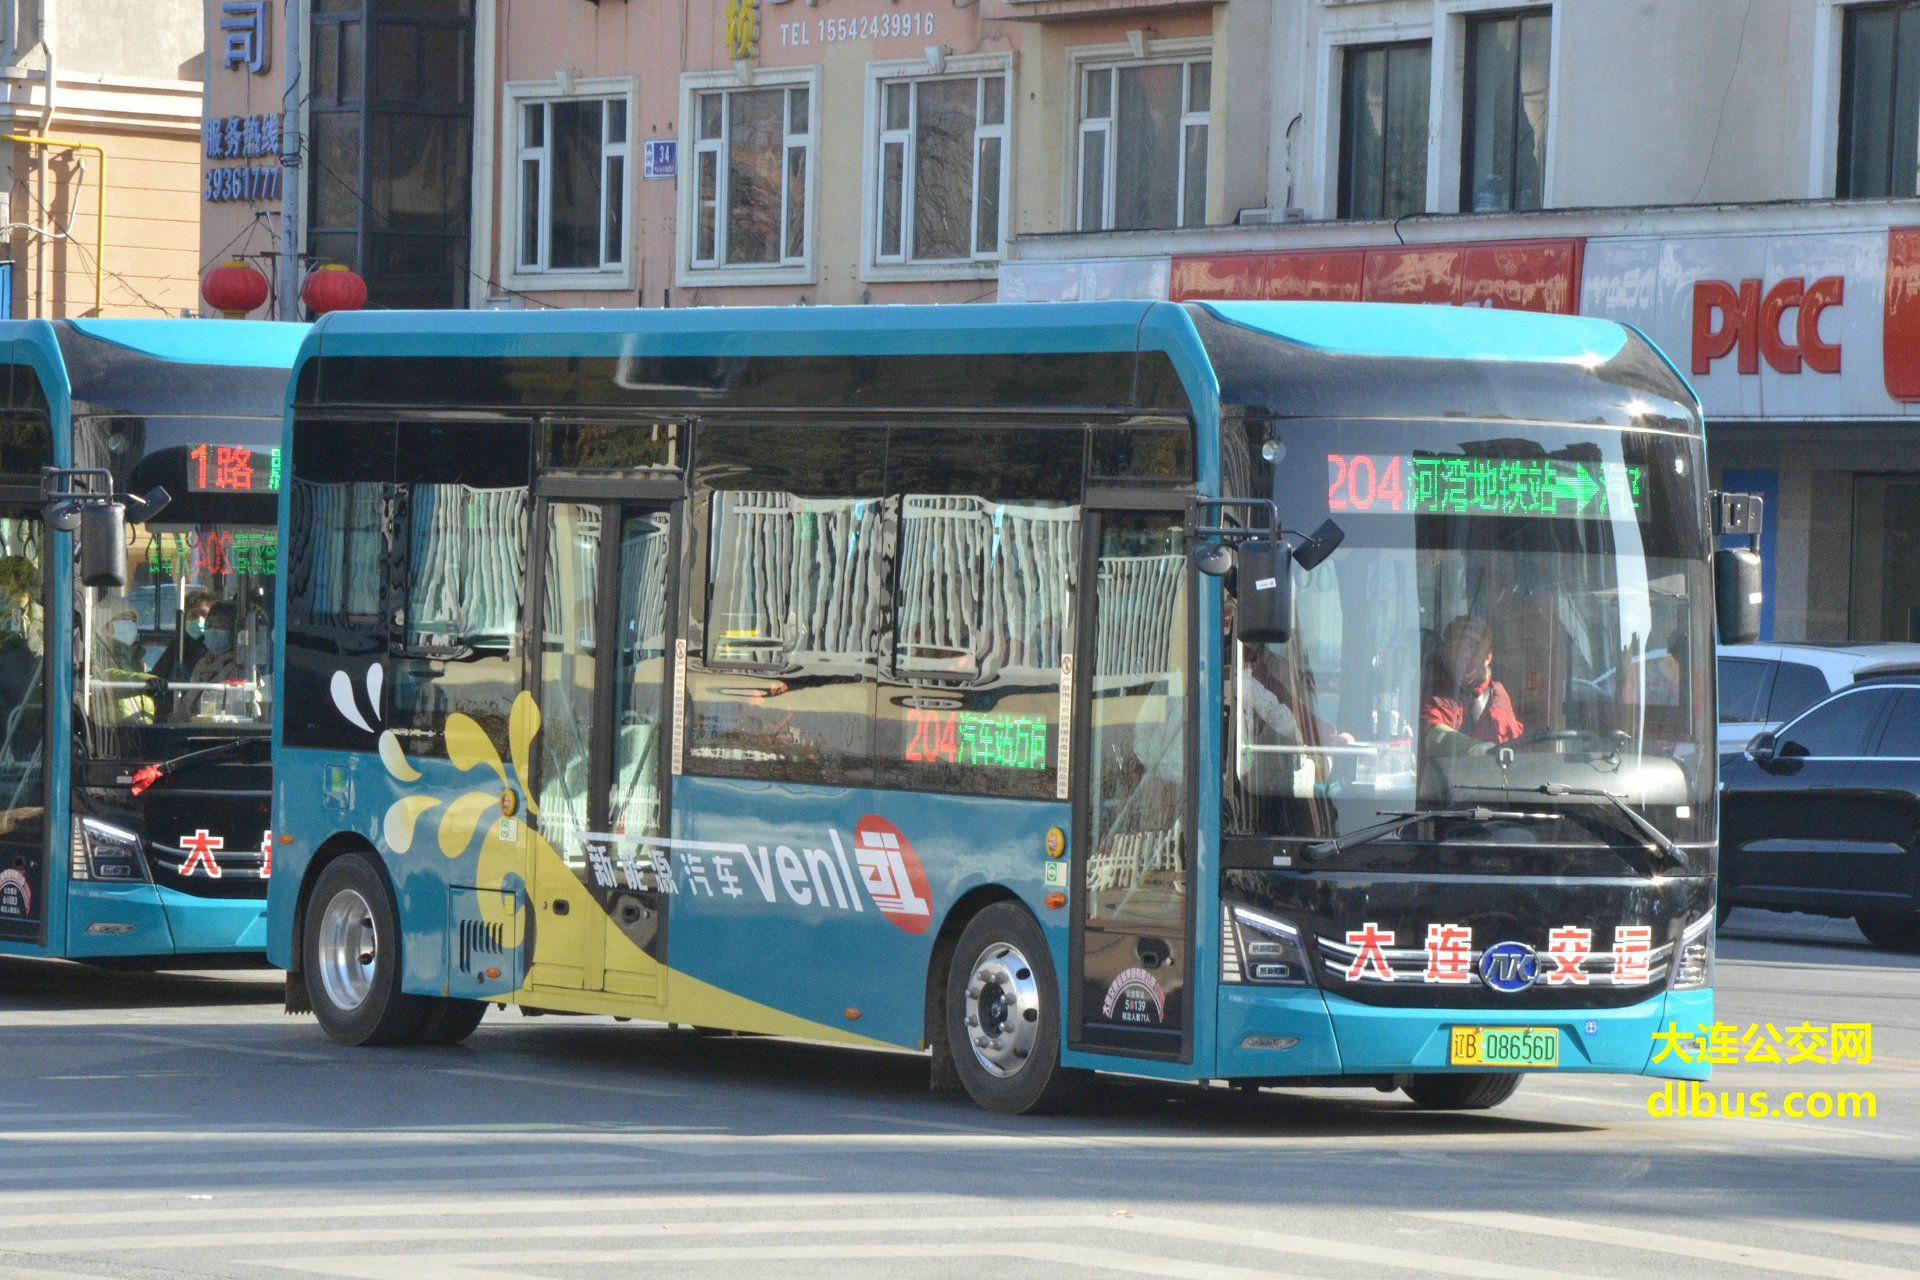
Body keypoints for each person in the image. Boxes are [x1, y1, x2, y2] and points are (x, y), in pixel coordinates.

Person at [1420, 615, 1524, 756]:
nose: (1464, 655)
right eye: (1456, 647)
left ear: (1488, 657)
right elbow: (1431, 733)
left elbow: (1513, 744)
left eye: (1473, 648)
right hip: (1443, 770)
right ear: (1445, 651)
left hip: (1490, 770)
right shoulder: (1431, 687)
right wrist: (1473, 748)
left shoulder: (1498, 695)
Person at [91, 595, 155, 725]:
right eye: (124, 619)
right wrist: (144, 680)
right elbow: (109, 675)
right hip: (110, 732)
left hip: (140, 733)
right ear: (104, 625)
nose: (130, 625)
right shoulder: (96, 656)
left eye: (133, 620)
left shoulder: (137, 662)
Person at [176, 602, 245, 720]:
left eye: (221, 626)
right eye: (209, 625)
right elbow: (187, 704)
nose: (213, 630)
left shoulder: (238, 666)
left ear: (233, 632)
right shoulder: (202, 663)